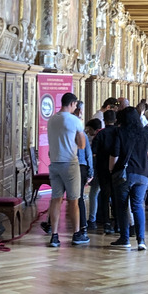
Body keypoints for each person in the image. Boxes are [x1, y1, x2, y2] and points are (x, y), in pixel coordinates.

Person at [108, 106, 148, 251]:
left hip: (125, 174)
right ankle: (141, 240)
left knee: (122, 207)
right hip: (142, 175)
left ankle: (125, 239)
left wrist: (112, 169)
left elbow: (115, 155)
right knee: (138, 206)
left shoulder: (120, 132)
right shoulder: (144, 132)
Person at [44, 92, 89, 247]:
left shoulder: (52, 120)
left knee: (56, 199)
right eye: (75, 105)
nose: (76, 107)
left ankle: (54, 236)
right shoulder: (75, 121)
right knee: (73, 200)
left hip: (54, 163)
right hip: (70, 164)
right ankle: (77, 234)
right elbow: (82, 145)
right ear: (72, 103)